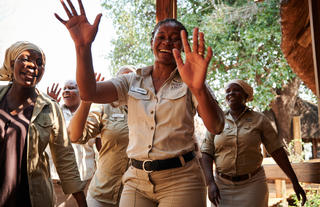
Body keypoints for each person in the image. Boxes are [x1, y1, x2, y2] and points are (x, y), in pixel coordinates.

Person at [55, 0, 225, 206]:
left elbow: (216, 126)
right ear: (151, 42)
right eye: (160, 37)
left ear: (184, 45)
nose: (167, 42)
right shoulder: (131, 80)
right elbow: (89, 92)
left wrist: (198, 87)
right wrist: (82, 47)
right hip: (136, 179)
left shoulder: (192, 82)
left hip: (181, 179)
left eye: (174, 39)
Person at [0, 41, 87, 207]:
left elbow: (64, 156)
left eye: (39, 62)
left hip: (32, 197)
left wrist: (82, 203)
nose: (33, 65)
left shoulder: (50, 107)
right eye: (25, 59)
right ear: (12, 64)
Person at [200, 79, 307, 207]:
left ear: (246, 96)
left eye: (236, 90)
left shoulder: (260, 119)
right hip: (222, 186)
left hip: (253, 185)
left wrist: (294, 181)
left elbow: (277, 151)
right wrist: (210, 183)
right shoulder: (217, 119)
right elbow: (206, 152)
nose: (231, 93)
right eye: (228, 91)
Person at [68, 65, 135, 207]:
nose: (128, 83)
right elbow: (75, 136)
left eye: (132, 78)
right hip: (103, 192)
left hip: (138, 195)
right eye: (123, 79)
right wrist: (87, 100)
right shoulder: (105, 107)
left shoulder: (150, 108)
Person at [46, 80, 97, 206]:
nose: (66, 90)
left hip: (86, 183)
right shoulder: (53, 111)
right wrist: (48, 107)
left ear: (82, 93)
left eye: (72, 88)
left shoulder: (92, 114)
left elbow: (99, 147)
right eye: (64, 88)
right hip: (56, 184)